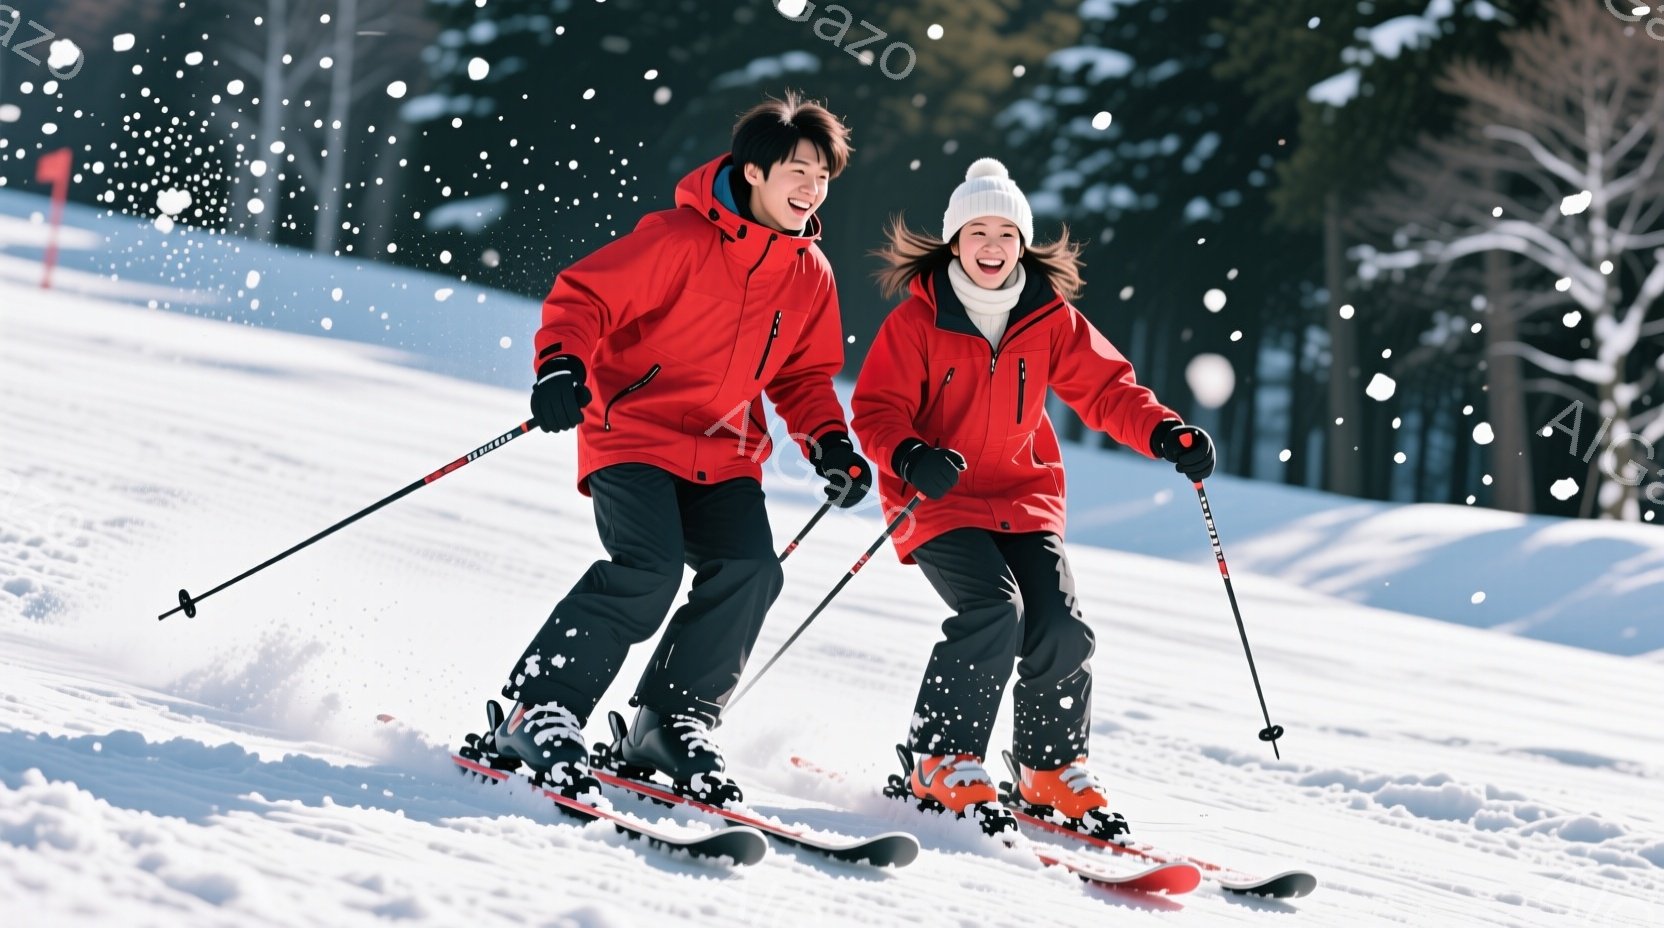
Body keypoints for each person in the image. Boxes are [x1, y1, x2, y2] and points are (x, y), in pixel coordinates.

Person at [469, 92, 871, 804]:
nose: (811, 189)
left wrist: (831, 444)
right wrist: (562, 365)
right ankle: (540, 708)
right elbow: (583, 299)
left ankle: (669, 720)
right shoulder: (678, 238)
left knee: (750, 570)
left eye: (822, 177)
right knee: (648, 570)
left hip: (724, 449)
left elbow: (804, 376)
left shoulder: (810, 273)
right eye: (798, 171)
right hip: (634, 431)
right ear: (752, 171)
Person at [851, 158, 1215, 836]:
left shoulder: (1049, 317)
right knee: (994, 611)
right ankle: (939, 758)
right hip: (940, 500)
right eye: (978, 232)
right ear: (954, 241)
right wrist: (909, 456)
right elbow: (875, 410)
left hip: (1023, 497)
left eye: (1006, 234)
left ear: (1024, 244)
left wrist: (1165, 432)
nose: (992, 247)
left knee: (1061, 628)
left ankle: (1047, 768)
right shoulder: (917, 321)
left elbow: (1107, 391)